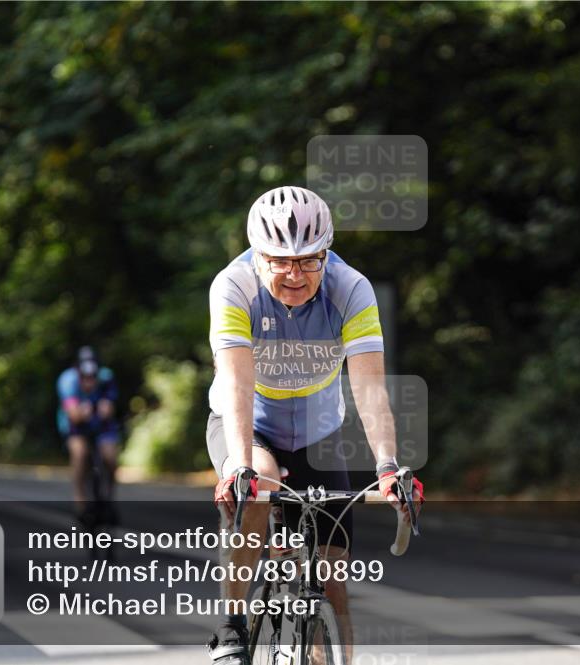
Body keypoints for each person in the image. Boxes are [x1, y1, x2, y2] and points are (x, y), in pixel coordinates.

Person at [206, 185, 424, 665]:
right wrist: (240, 468)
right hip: (247, 425)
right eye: (280, 261)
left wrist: (388, 466)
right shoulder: (233, 286)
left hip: (318, 434)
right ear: (257, 256)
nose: (295, 274)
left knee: (333, 577)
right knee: (260, 485)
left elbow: (370, 389)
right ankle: (233, 624)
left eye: (309, 260)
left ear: (327, 253)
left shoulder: (350, 288)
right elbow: (237, 385)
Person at [56, 346, 120, 523]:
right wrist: (81, 413)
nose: (89, 383)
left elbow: (109, 406)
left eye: (92, 377)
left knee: (110, 458)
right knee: (80, 454)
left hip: (102, 425)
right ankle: (80, 503)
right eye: (85, 378)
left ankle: (109, 499)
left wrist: (105, 408)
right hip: (76, 427)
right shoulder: (68, 380)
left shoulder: (106, 377)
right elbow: (73, 414)